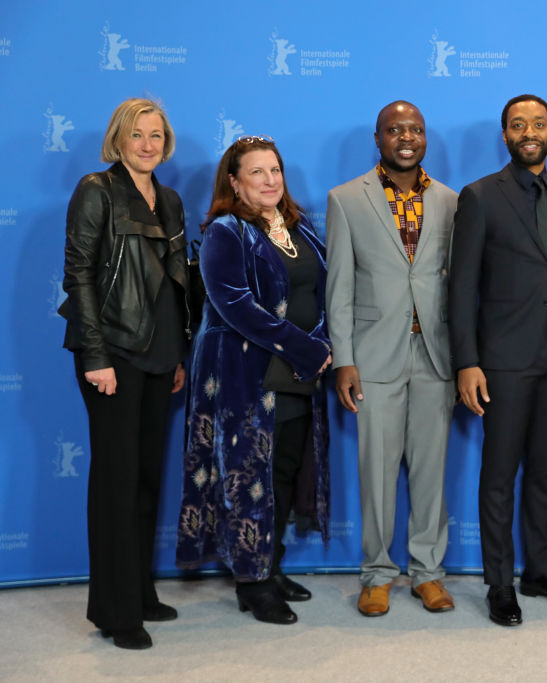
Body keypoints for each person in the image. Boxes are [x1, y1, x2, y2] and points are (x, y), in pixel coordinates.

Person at [176, 136, 333, 626]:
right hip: (245, 377)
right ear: (234, 181)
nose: (269, 181)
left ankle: (272, 564)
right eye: (257, 172)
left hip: (297, 375)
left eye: (275, 171)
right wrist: (308, 348)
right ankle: (252, 582)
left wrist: (321, 339)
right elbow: (236, 306)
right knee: (248, 476)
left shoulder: (300, 229)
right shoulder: (226, 231)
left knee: (283, 470)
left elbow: (323, 292)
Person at [448, 94, 547, 627]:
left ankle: (541, 571)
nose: (529, 132)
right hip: (502, 359)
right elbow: (462, 287)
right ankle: (500, 582)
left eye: (539, 123)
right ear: (505, 135)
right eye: (518, 124)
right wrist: (467, 361)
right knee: (500, 472)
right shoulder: (481, 196)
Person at [59, 97, 189, 650]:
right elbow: (79, 276)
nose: (147, 144)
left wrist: (177, 355)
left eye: (156, 135)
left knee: (146, 478)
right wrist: (95, 356)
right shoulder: (97, 190)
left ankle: (139, 591)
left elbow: (174, 285)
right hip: (112, 353)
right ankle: (115, 613)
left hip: (160, 355)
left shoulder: (171, 200)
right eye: (137, 134)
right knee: (116, 481)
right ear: (119, 139)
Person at [326, 101, 457, 617]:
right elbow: (339, 287)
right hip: (373, 355)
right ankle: (377, 575)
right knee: (376, 472)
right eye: (395, 129)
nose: (407, 137)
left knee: (430, 472)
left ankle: (428, 573)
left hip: (435, 355)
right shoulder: (345, 199)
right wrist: (344, 358)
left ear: (425, 138)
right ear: (378, 138)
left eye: (416, 129)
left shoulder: (450, 200)